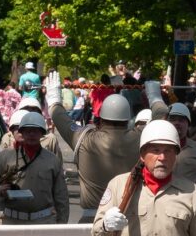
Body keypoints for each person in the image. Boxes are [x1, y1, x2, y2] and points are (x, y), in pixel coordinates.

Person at [46, 75, 139, 222]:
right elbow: (161, 115)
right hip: (131, 218)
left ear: (100, 118)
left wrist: (54, 100)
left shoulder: (85, 139)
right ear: (128, 119)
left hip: (92, 219)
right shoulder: (140, 138)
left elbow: (60, 118)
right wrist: (155, 97)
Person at [0, 112, 68, 225]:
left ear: (42, 133)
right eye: (28, 131)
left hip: (43, 222)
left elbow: (61, 196)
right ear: (21, 132)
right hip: (10, 221)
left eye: (36, 130)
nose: (31, 134)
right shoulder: (3, 157)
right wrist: (0, 190)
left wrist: (62, 225)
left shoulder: (52, 160)